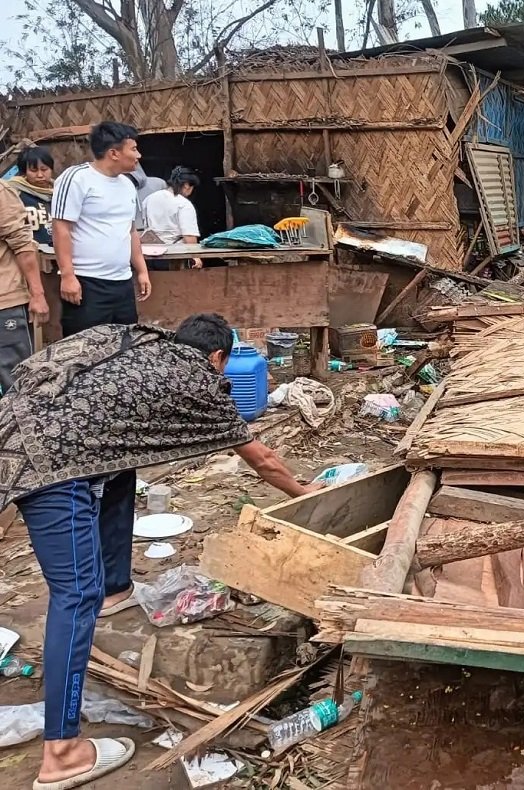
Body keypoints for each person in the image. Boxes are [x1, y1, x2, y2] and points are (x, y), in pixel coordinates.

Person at [0, 313, 318, 789]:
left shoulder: (135, 337)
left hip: (16, 419)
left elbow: (47, 368)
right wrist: (309, 493)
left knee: (125, 462)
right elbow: (264, 462)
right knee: (74, 596)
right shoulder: (199, 379)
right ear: (217, 357)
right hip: (47, 465)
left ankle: (115, 589)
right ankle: (61, 753)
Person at [50, 120, 152, 338]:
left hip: (122, 284)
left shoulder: (127, 185)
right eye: (133, 149)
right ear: (114, 153)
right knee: (84, 351)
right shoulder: (76, 178)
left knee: (124, 350)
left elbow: (131, 231)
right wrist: (68, 276)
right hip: (87, 283)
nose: (139, 155)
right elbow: (61, 228)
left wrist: (141, 270)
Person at [0, 179, 49, 391]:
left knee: (16, 382)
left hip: (4, 301)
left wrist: (37, 294)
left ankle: (22, 424)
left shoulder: (1, 191)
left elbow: (23, 243)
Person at [143, 166, 202, 269]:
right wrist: (195, 256)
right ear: (187, 185)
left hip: (148, 253)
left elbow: (145, 225)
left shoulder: (149, 199)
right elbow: (189, 235)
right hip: (174, 255)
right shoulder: (183, 204)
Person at [11, 146, 55, 245]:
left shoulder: (61, 192)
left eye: (44, 169)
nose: (40, 175)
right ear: (24, 172)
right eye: (33, 170)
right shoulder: (13, 192)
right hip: (30, 254)